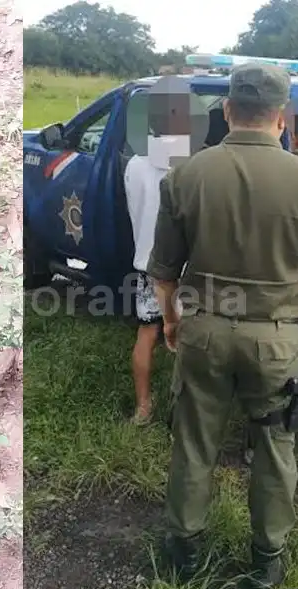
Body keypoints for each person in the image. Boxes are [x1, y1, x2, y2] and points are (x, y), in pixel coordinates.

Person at [147, 63, 298, 589]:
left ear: (226, 110)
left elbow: (163, 271)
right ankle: (265, 562)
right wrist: (287, 306)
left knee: (194, 443)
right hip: (278, 338)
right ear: (281, 118)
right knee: (274, 445)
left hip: (203, 332)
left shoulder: (185, 175)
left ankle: (185, 552)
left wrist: (172, 321)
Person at [124, 153, 169, 424]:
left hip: (146, 263)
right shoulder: (193, 163)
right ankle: (187, 409)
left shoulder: (134, 165)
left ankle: (143, 408)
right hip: (183, 266)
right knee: (189, 336)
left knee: (147, 333)